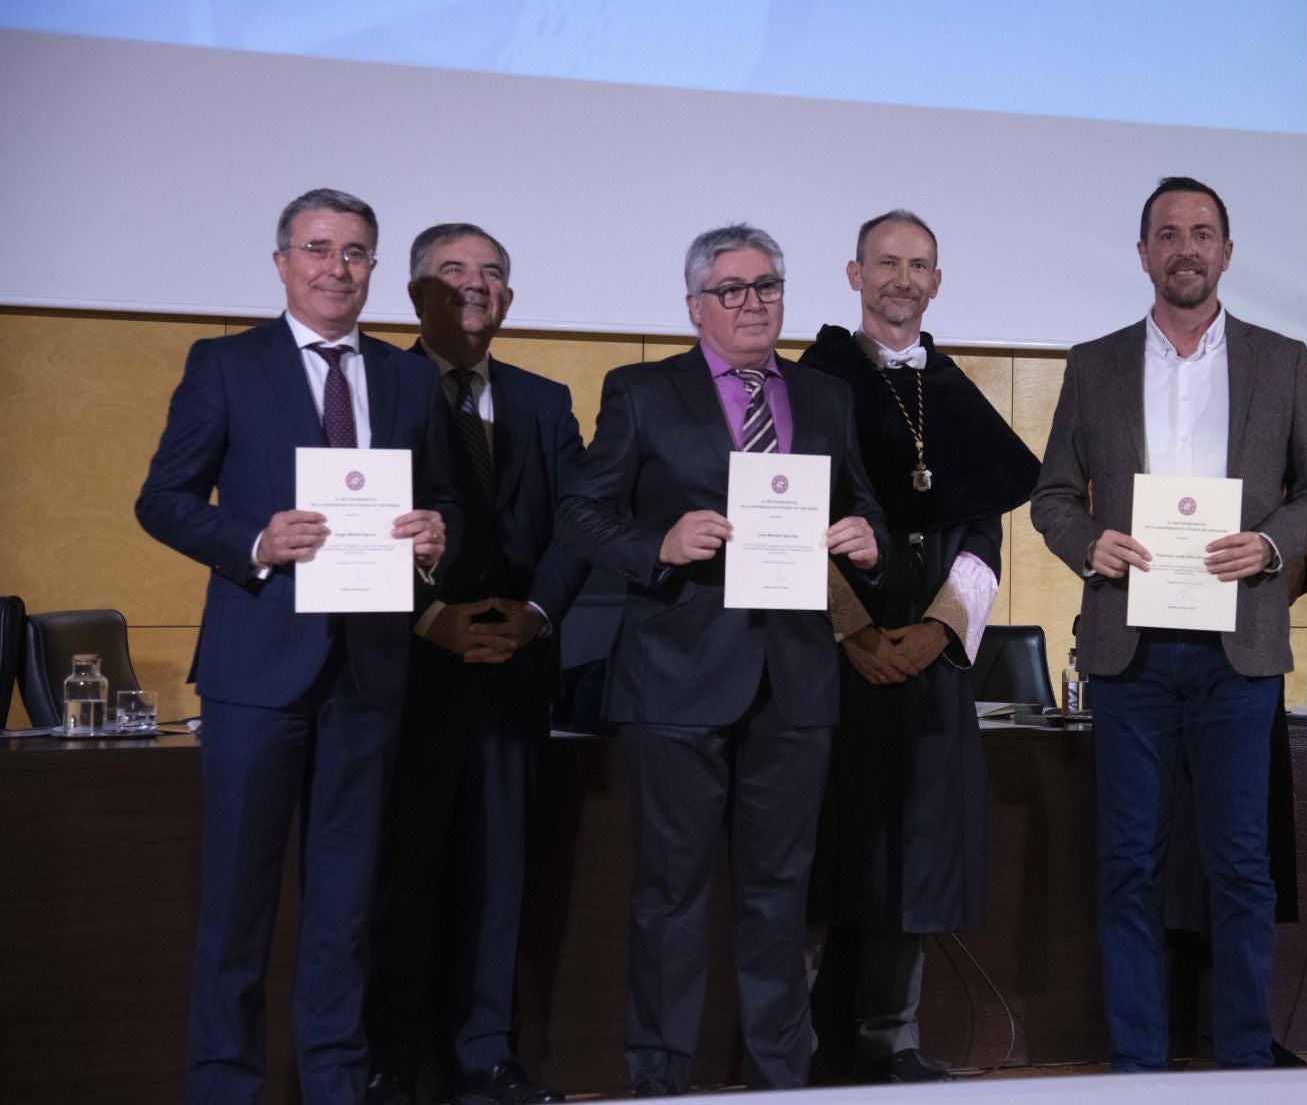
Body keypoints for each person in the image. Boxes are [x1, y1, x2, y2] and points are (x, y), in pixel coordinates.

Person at [135, 189, 451, 1105]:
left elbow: (445, 504)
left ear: (374, 270)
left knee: (346, 910)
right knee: (237, 906)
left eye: (356, 253)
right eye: (318, 249)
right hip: (256, 671)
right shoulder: (226, 364)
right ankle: (225, 1088)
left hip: (370, 671)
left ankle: (335, 1086)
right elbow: (162, 499)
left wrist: (440, 532)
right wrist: (252, 543)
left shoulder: (407, 377)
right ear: (282, 263)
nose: (336, 268)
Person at [556, 224, 886, 1096]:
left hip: (796, 675)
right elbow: (581, 516)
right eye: (733, 289)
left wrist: (867, 538)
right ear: (695, 305)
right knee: (671, 892)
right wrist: (658, 541)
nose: (753, 303)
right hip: (676, 675)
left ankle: (781, 1076)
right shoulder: (641, 391)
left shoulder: (821, 397)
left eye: (767, 286)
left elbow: (865, 507)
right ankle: (661, 1079)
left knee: (780, 894)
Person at [1030, 176, 1307, 1072]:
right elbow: (1051, 495)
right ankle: (1141, 1069)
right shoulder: (1092, 363)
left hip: (1237, 652)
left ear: (1228, 253)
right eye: (1167, 234)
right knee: (1129, 866)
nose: (1186, 248)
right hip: (1129, 653)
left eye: (1203, 233)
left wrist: (1270, 546)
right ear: (1141, 254)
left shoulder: (1280, 360)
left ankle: (1243, 1066)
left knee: (1241, 869)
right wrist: (1091, 544)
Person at [800, 210, 1041, 1084]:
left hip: (926, 667)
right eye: (887, 262)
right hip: (830, 667)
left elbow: (983, 537)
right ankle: (803, 1044)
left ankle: (888, 1040)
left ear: (937, 282)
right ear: (854, 273)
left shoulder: (956, 397)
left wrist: (937, 630)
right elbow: (790, 523)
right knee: (826, 852)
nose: (903, 278)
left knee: (917, 854)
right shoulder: (812, 384)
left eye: (920, 266)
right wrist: (855, 631)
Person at [365, 224, 593, 1105]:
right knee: (403, 872)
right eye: (453, 272)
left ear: (509, 298)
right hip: (406, 671)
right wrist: (428, 620)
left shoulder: (543, 400)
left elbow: (578, 525)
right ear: (417, 293)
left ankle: (486, 1058)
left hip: (515, 669)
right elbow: (356, 525)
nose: (476, 285)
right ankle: (395, 1060)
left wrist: (536, 616)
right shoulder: (377, 388)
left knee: (502, 876)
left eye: (493, 273)